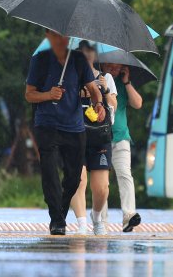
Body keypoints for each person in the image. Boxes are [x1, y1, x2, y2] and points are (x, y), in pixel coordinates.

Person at [26, 31, 105, 235]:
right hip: (47, 124)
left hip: (74, 126)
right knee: (50, 172)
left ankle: (60, 210)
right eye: (56, 35)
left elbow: (92, 88)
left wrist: (98, 103)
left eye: (65, 36)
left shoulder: (78, 59)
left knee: (73, 178)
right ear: (48, 36)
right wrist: (48, 95)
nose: (61, 39)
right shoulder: (40, 60)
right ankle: (57, 220)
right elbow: (29, 95)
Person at [69, 41, 118, 235]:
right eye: (82, 51)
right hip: (75, 134)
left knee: (102, 187)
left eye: (89, 51)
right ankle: (81, 225)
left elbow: (113, 103)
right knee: (78, 181)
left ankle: (96, 217)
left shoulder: (105, 77)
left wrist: (104, 90)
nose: (86, 55)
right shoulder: (70, 78)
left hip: (99, 137)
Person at [101, 62, 144, 233]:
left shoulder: (121, 83)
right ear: (103, 64)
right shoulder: (97, 79)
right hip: (101, 137)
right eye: (111, 66)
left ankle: (128, 216)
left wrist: (126, 82)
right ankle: (101, 221)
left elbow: (138, 103)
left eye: (118, 67)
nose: (115, 70)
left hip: (121, 137)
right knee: (102, 182)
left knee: (125, 174)